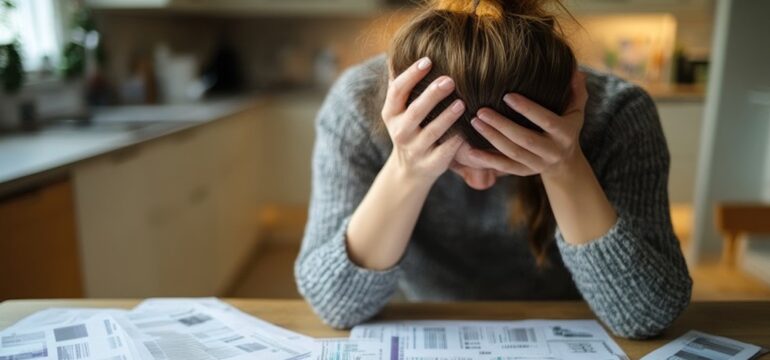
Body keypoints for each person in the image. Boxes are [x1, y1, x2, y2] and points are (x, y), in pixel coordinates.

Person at [295, 0, 692, 339]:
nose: (482, 183)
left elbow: (647, 315)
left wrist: (565, 166)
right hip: (423, 324)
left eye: (511, 164)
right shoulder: (358, 107)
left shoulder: (618, 116)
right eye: (453, 163)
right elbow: (335, 305)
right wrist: (407, 170)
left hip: (577, 326)